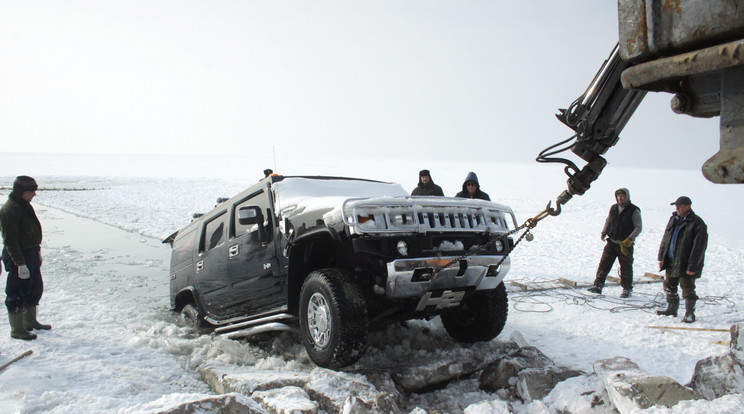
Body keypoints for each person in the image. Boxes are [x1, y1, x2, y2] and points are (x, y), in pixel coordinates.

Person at [0, 176, 51, 340]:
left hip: (31, 253)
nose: (34, 195)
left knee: (35, 288)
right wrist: (20, 264)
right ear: (22, 192)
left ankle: (30, 321)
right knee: (17, 292)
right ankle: (17, 329)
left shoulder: (25, 206)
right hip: (19, 256)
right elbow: (10, 241)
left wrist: (37, 253)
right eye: (31, 191)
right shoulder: (9, 211)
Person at [656, 196, 708, 323]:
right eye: (676, 206)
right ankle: (672, 309)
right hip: (671, 260)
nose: (677, 208)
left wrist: (692, 266)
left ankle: (690, 314)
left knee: (688, 289)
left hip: (686, 263)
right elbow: (666, 239)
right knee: (669, 285)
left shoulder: (697, 223)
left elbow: (699, 247)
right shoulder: (673, 219)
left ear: (688, 206)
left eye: (680, 206)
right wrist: (661, 257)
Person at [587, 188, 642, 298]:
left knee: (626, 267)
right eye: (618, 196)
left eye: (622, 196)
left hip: (625, 244)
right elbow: (608, 220)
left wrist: (629, 239)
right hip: (612, 242)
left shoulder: (634, 210)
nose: (620, 198)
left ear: (627, 197)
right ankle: (598, 285)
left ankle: (627, 289)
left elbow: (638, 227)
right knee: (604, 264)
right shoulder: (613, 208)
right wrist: (604, 232)